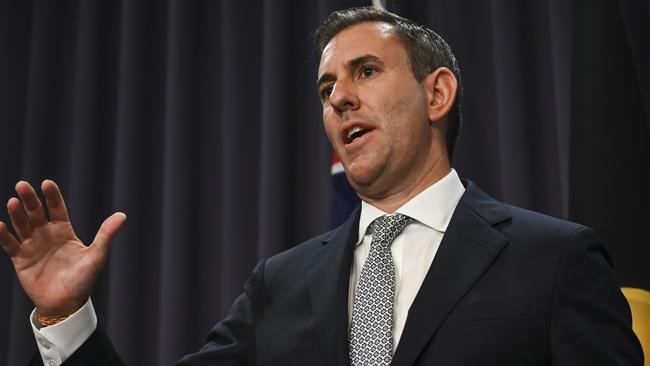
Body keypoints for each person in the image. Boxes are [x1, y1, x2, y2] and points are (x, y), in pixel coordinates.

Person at [0, 6, 643, 366]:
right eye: (327, 88)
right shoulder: (279, 285)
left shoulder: (555, 258)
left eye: (366, 71)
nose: (339, 98)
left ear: (437, 92)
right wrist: (65, 317)